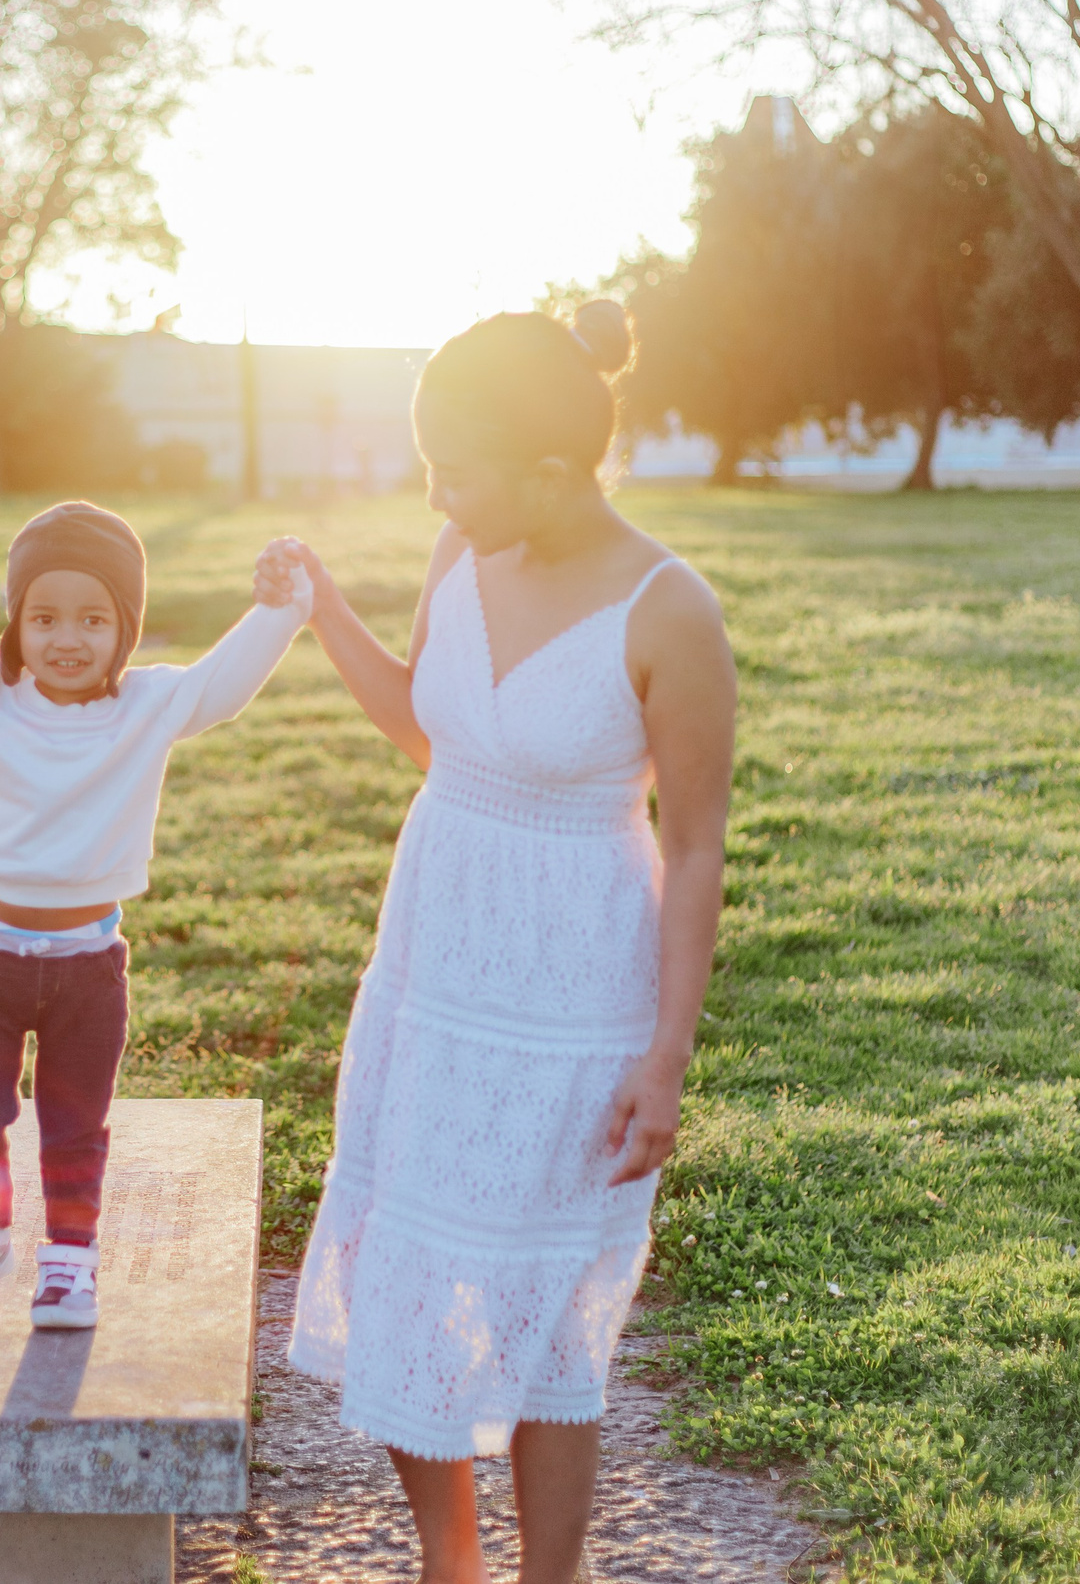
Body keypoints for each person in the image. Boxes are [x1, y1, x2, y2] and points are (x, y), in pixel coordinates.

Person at [272, 303, 737, 1584]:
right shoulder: (457, 554)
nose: (434, 491)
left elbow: (695, 848)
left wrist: (666, 1057)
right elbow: (436, 738)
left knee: (544, 1321)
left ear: (548, 469)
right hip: (433, 972)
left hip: (574, 994)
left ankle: (549, 1576)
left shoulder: (668, 610)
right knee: (409, 1275)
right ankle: (450, 1563)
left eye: (454, 469)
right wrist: (322, 614)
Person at [0, 502, 309, 1329]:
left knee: (74, 1119)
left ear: (126, 628)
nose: (67, 638)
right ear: (16, 621)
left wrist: (279, 605)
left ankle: (71, 1260)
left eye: (94, 619)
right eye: (44, 616)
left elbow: (223, 683)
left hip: (89, 964)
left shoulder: (150, 705)